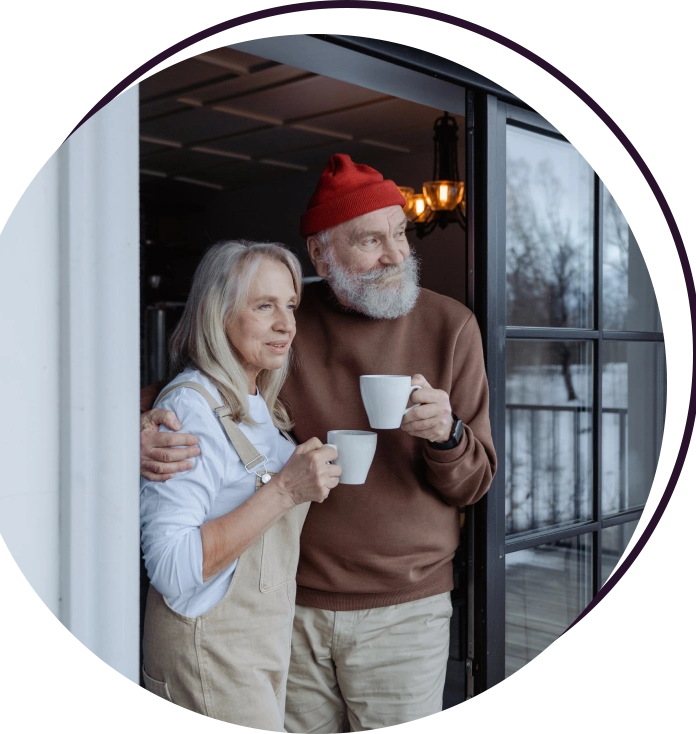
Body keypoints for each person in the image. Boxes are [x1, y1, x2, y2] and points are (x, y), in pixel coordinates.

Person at [141, 155, 497, 732]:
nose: (397, 254)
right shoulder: (286, 327)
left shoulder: (451, 326)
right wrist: (133, 432)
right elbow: (193, 388)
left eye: (400, 233)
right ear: (321, 256)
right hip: (290, 609)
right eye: (370, 240)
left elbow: (476, 481)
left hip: (404, 612)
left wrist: (447, 434)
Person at [139, 240, 341, 732]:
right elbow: (171, 567)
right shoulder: (190, 409)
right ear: (217, 313)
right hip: (208, 654)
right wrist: (286, 491)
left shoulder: (259, 407)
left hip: (253, 649)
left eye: (290, 305)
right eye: (264, 305)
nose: (286, 324)